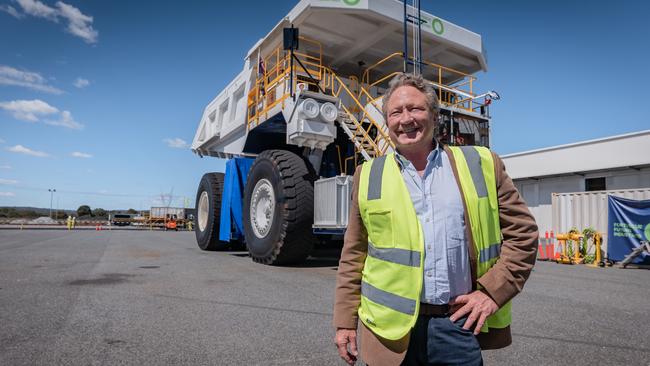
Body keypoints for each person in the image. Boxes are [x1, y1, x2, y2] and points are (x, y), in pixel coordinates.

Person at [333, 73, 538, 366]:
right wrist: (344, 322)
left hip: (456, 324)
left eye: (415, 109)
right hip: (387, 333)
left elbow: (524, 234)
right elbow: (353, 255)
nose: (406, 119)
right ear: (387, 121)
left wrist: (493, 292)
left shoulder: (481, 164)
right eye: (396, 112)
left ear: (434, 115)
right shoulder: (367, 176)